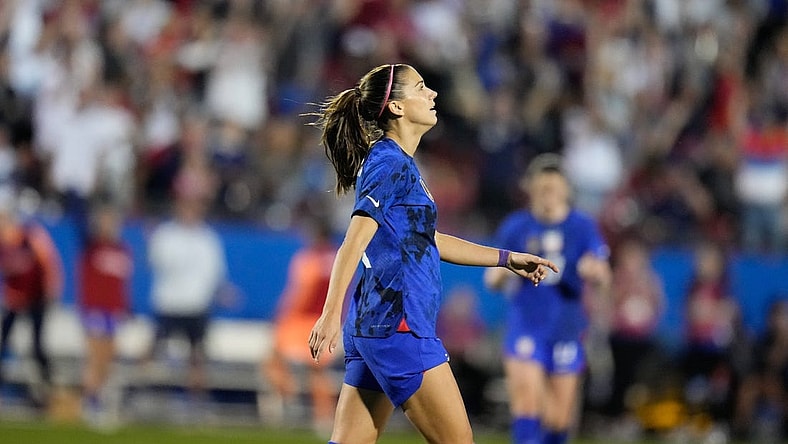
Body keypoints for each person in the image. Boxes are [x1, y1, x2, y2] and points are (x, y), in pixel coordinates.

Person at [306, 63, 559, 444]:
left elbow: (427, 240)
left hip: (375, 326)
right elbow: (353, 241)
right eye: (421, 88)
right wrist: (328, 314)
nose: (433, 94)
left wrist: (507, 258)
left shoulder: (399, 163)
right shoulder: (390, 162)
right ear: (396, 107)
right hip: (400, 326)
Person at [484, 153, 611, 444]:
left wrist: (595, 271)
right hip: (526, 325)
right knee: (527, 403)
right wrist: (505, 271)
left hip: (566, 328)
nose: (547, 196)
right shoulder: (516, 226)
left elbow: (603, 271)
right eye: (542, 190)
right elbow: (491, 279)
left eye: (552, 189)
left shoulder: (582, 226)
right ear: (530, 189)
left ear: (565, 189)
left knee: (558, 420)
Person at [262, 217, 339, 432]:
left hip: (301, 321)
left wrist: (281, 315)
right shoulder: (338, 258)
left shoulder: (308, 260)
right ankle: (324, 417)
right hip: (326, 321)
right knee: (318, 370)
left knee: (273, 358)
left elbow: (299, 294)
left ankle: (288, 396)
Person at [146, 195, 228, 396]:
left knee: (197, 355)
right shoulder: (166, 234)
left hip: (196, 304)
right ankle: (141, 389)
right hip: (170, 302)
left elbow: (215, 272)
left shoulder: (207, 238)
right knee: (154, 347)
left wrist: (221, 291)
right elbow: (156, 262)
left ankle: (196, 400)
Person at [0, 190, 63, 406]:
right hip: (16, 298)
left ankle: (48, 387)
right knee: (3, 341)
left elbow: (49, 264)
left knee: (37, 345)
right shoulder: (3, 243)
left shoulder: (30, 236)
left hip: (37, 297)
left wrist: (51, 291)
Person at [76, 204, 133, 424]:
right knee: (95, 357)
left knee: (108, 358)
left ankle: (97, 398)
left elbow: (122, 284)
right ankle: (90, 402)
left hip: (113, 311)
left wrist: (124, 308)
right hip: (95, 310)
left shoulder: (123, 250)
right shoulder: (92, 247)